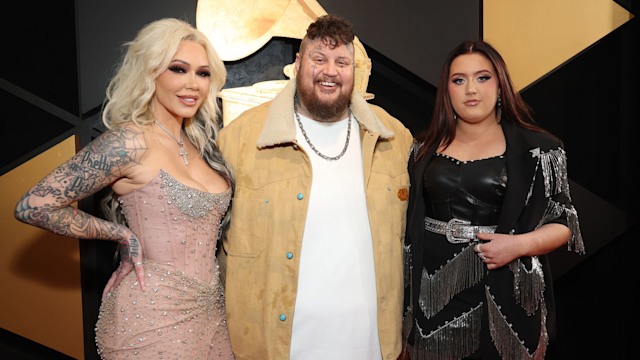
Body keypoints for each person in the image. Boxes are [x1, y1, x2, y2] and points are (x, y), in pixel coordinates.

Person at [14, 18, 235, 359]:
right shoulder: (129, 141)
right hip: (150, 316)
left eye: (203, 73)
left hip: (211, 318)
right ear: (151, 72)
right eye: (179, 69)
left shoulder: (200, 146)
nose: (193, 84)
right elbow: (34, 205)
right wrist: (120, 234)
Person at [218, 14, 413, 359]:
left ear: (355, 71)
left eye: (342, 62)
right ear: (297, 64)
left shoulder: (393, 137)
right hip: (276, 345)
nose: (330, 71)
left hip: (369, 343)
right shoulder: (241, 139)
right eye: (318, 59)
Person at [403, 40, 585, 359]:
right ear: (446, 91)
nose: (471, 89)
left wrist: (518, 246)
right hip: (430, 297)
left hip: (506, 294)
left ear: (500, 84)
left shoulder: (540, 148)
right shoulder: (420, 148)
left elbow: (564, 222)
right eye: (459, 80)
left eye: (482, 77)